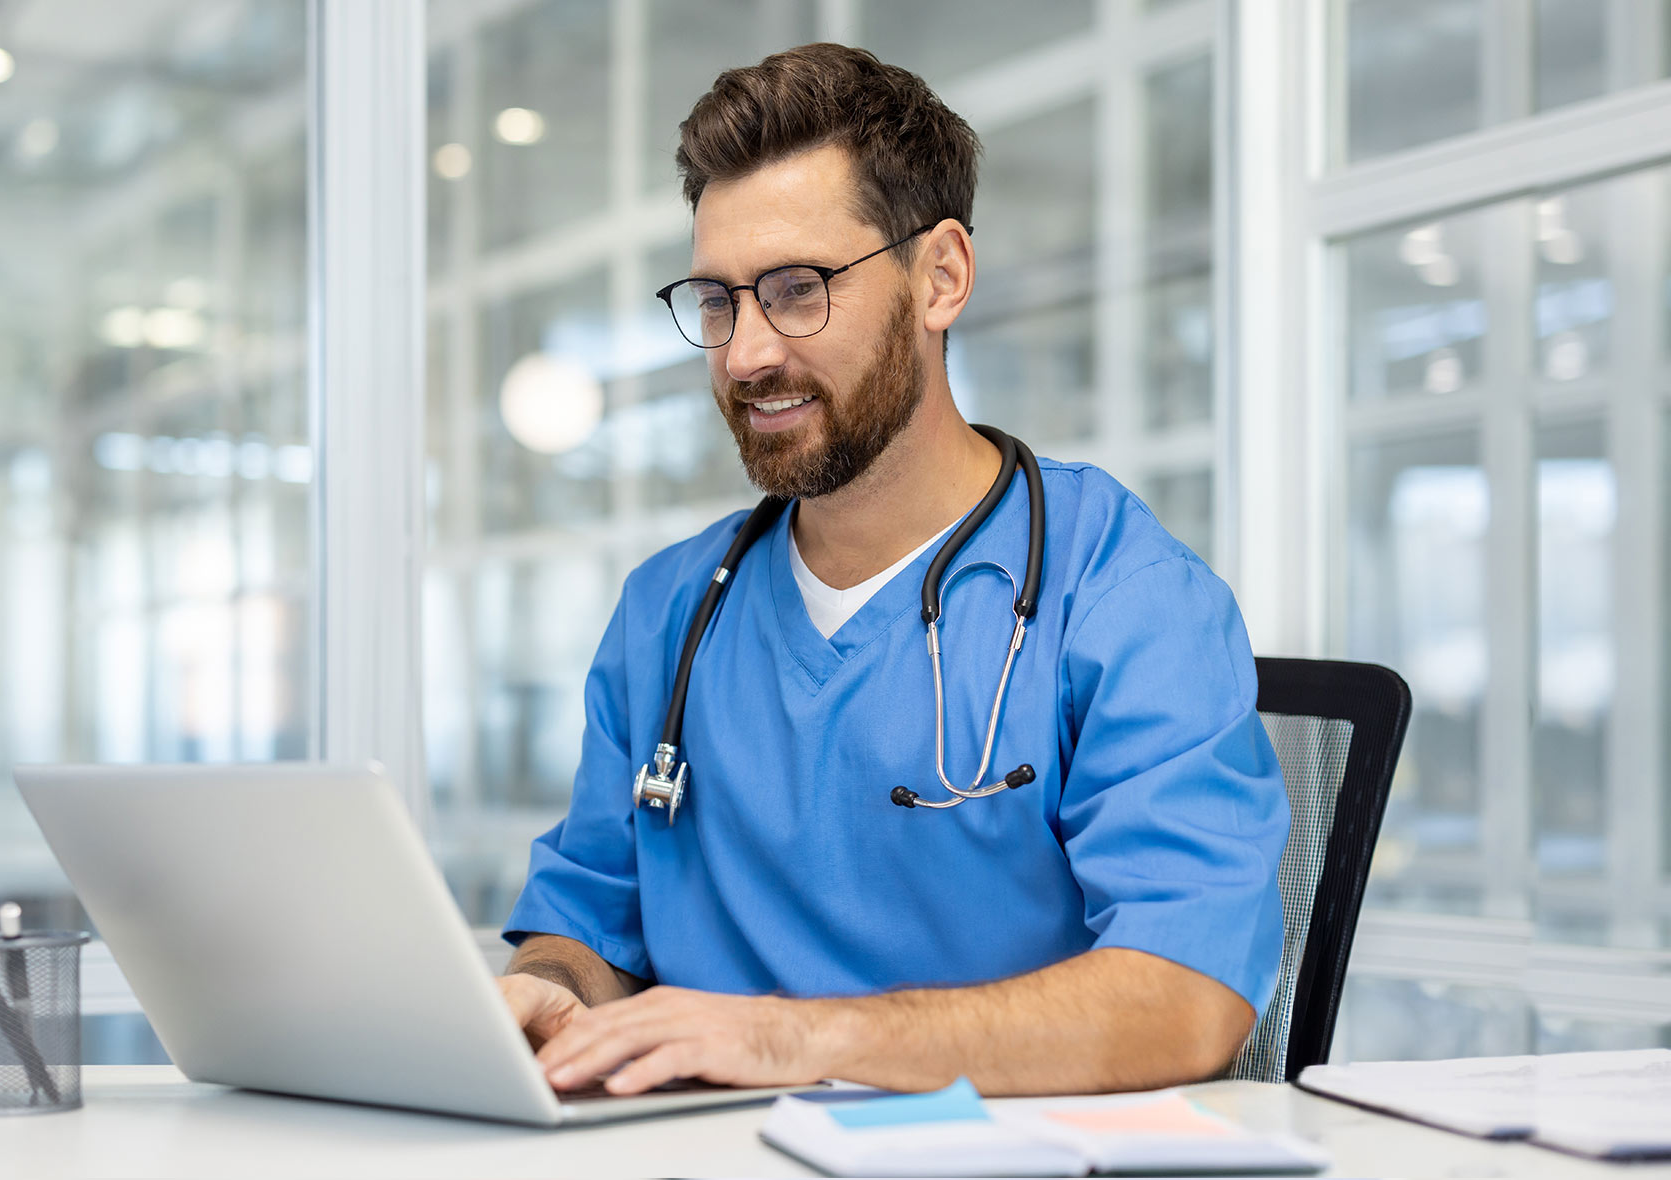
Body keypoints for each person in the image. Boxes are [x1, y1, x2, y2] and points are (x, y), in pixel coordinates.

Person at [497, 43, 1288, 1099]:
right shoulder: (669, 614)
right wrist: (549, 985)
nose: (743, 355)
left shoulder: (1120, 595)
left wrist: (790, 1041)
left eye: (795, 290)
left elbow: (1185, 996)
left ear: (941, 277)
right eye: (719, 301)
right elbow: (588, 919)